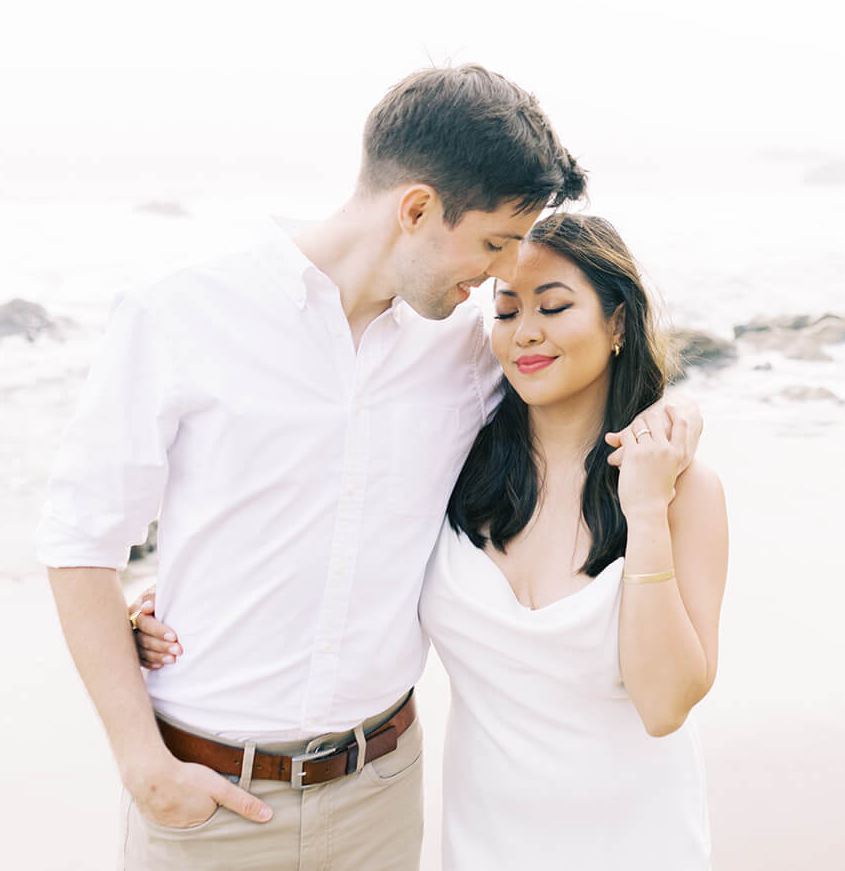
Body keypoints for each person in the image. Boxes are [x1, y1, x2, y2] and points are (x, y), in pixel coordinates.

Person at [37, 64, 700, 871]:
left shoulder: (464, 345)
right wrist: (142, 763)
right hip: (206, 798)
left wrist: (677, 414)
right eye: (493, 244)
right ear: (417, 208)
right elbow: (79, 541)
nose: (498, 278)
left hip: (381, 791)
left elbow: (582, 363)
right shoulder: (179, 316)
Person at [135, 213, 729, 869]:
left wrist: (644, 511)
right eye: (505, 311)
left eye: (554, 307)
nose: (526, 329)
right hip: (485, 843)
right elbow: (331, 532)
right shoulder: (459, 465)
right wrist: (185, 600)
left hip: (637, 842)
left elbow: (665, 703)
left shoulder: (684, 491)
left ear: (619, 323)